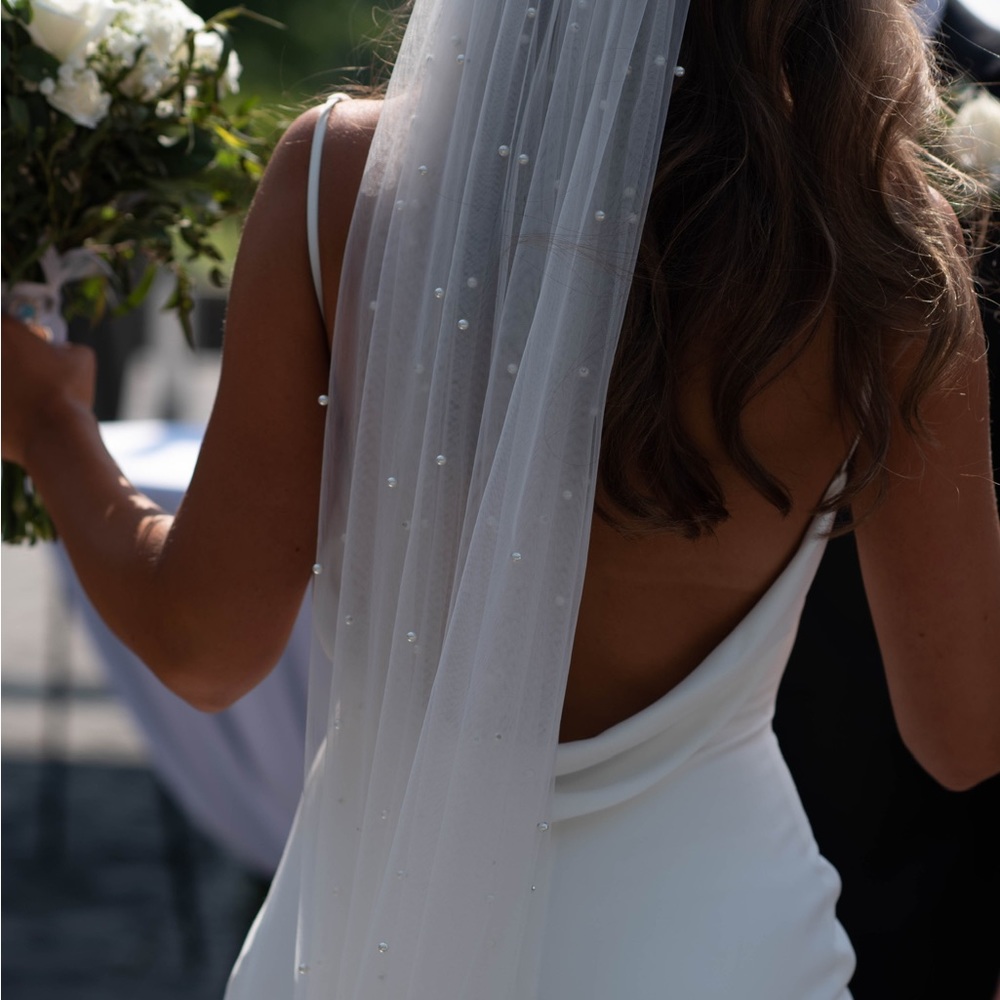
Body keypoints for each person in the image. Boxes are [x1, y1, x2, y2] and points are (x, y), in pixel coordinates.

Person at [3, 0, 998, 997]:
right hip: (718, 948)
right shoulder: (878, 243)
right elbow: (964, 737)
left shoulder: (346, 178)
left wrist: (50, 426)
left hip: (372, 946)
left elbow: (204, 645)